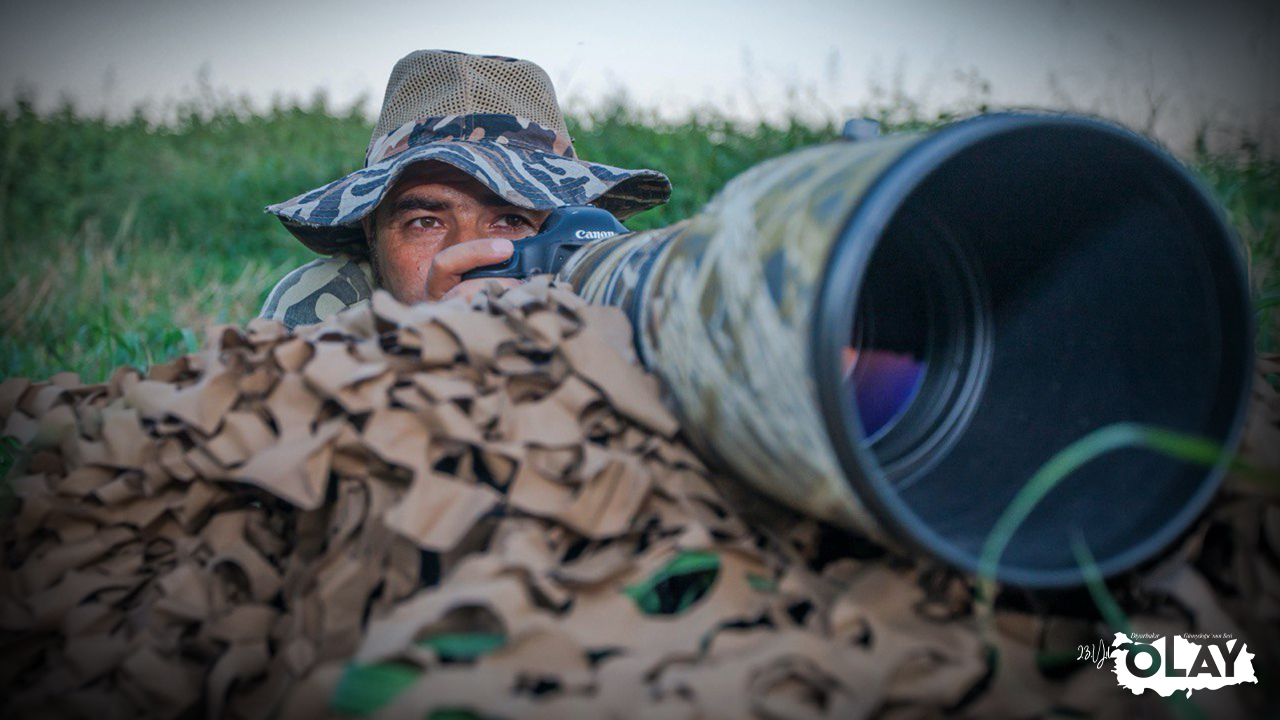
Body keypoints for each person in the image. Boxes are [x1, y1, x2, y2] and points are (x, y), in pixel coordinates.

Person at [259, 50, 671, 329]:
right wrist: (435, 343)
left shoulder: (607, 290)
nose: (463, 258)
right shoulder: (325, 306)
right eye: (425, 222)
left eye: (512, 219)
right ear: (371, 233)